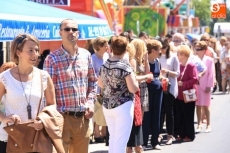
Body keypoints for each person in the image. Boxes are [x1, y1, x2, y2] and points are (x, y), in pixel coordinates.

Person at [43, 18, 97, 153]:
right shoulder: (52, 59)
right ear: (60, 33)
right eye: (67, 29)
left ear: (78, 33)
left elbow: (93, 81)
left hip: (82, 119)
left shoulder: (86, 55)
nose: (71, 32)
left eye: (74, 29)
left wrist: (90, 103)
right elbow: (47, 91)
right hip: (61, 119)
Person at [0, 34, 56, 153]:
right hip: (12, 136)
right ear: (18, 52)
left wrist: (43, 120)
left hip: (37, 137)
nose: (35, 54)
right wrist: (4, 117)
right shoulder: (4, 78)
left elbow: (52, 105)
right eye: (30, 50)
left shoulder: (44, 76)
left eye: (36, 50)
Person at [97, 36, 139, 153]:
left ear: (111, 48)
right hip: (123, 105)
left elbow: (100, 84)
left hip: (108, 105)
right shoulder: (125, 67)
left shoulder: (104, 66)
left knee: (113, 139)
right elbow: (133, 89)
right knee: (120, 142)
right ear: (126, 50)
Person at [142, 39, 165, 150]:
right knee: (147, 116)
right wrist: (145, 61)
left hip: (158, 90)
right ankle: (144, 142)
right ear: (152, 50)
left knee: (157, 115)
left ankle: (155, 141)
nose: (160, 51)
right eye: (158, 49)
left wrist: (163, 78)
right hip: (147, 91)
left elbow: (159, 74)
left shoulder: (157, 61)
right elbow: (146, 74)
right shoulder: (145, 61)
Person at [158, 38, 180, 145]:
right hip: (160, 86)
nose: (161, 50)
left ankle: (170, 135)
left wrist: (167, 72)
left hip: (170, 87)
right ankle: (158, 134)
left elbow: (177, 73)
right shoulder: (157, 56)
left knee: (168, 111)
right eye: (160, 48)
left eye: (163, 48)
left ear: (167, 47)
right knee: (160, 111)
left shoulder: (173, 57)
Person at [176, 45, 198, 142]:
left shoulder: (191, 65)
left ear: (184, 55)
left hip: (188, 95)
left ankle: (189, 135)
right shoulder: (179, 65)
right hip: (179, 95)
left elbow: (195, 79)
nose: (177, 55)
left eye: (179, 54)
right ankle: (182, 134)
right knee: (180, 115)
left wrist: (183, 83)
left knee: (188, 116)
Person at [91, 37, 109, 143]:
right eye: (105, 45)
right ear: (99, 47)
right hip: (97, 88)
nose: (107, 46)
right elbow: (91, 75)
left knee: (105, 110)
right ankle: (96, 133)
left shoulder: (107, 56)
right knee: (97, 110)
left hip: (106, 87)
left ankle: (104, 132)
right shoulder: (93, 58)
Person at [195, 41, 214, 133]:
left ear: (204, 50)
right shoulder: (194, 59)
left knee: (206, 106)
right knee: (198, 106)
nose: (196, 51)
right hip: (196, 85)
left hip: (205, 85)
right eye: (196, 49)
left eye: (198, 49)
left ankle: (208, 124)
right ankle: (199, 124)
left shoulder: (209, 60)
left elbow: (211, 74)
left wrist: (209, 85)